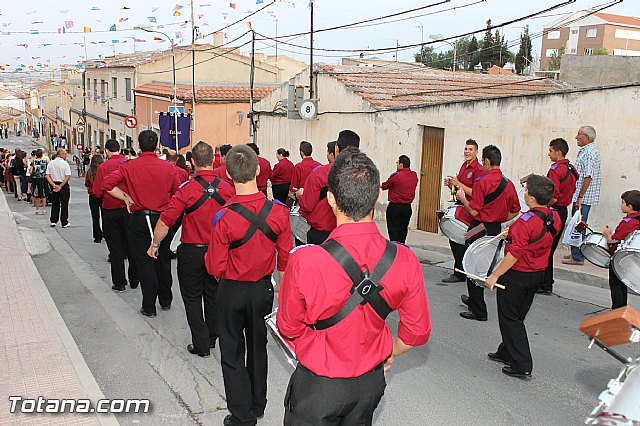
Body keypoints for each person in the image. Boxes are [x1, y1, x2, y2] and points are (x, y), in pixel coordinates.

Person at [277, 149, 431, 424]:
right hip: (369, 384)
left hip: (318, 385)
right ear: (377, 196)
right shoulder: (405, 259)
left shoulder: (304, 260)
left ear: (331, 199)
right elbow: (416, 333)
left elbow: (289, 327)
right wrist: (387, 351)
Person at [205, 145, 292, 426]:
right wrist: (280, 282)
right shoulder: (278, 212)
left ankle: (241, 414)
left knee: (231, 351)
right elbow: (286, 254)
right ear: (257, 170)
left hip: (231, 289)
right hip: (262, 289)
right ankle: (257, 404)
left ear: (229, 174)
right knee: (258, 347)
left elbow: (214, 266)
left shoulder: (222, 217)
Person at [148, 142, 235, 357]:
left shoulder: (186, 189)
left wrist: (155, 245)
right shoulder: (227, 188)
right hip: (218, 251)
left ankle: (201, 342)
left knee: (192, 298)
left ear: (193, 162)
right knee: (213, 295)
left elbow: (166, 221)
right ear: (213, 161)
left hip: (191, 251)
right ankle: (213, 337)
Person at [485, 174, 561, 379]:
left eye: (526, 190)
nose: (524, 193)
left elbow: (514, 255)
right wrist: (513, 234)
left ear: (532, 198)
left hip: (517, 275)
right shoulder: (554, 217)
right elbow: (538, 238)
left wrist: (494, 275)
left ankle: (521, 364)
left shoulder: (525, 222)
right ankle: (506, 351)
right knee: (518, 315)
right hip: (538, 273)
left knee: (510, 318)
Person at [103, 130, 181, 316]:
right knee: (163, 260)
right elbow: (178, 192)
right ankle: (166, 299)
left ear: (139, 145)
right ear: (156, 146)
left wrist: (126, 197)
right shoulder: (169, 167)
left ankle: (149, 306)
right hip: (162, 218)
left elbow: (106, 184)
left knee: (144, 262)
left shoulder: (129, 166)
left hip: (139, 218)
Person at [457, 145, 520, 321]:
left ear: (486, 161)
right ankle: (473, 300)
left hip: (479, 227)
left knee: (474, 266)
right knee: (486, 264)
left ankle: (478, 310)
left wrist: (463, 199)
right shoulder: (508, 184)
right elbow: (516, 209)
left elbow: (474, 212)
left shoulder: (482, 182)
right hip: (495, 229)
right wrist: (499, 217)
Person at [297, 130, 360, 244]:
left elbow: (307, 205)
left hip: (323, 234)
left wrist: (300, 196)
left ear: (336, 148)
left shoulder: (319, 174)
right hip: (353, 234)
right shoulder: (364, 175)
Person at [93, 139, 139, 292]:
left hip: (110, 210)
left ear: (106, 151)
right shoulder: (130, 165)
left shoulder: (103, 167)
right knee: (132, 244)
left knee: (115, 247)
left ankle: (119, 282)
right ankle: (134, 278)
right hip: (129, 210)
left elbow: (98, 191)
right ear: (120, 149)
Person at [442, 139, 486, 283]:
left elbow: (475, 193)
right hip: (461, 203)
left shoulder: (478, 169)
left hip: (470, 205)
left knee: (462, 239)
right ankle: (459, 269)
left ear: (476, 152)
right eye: (466, 149)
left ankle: (461, 271)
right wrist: (451, 185)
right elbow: (459, 189)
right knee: (453, 236)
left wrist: (459, 183)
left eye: (470, 149)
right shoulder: (463, 166)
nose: (467, 152)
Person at [540, 138, 578, 295]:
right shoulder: (571, 169)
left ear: (558, 152)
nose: (549, 154)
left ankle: (545, 283)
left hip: (553, 210)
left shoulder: (555, 170)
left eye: (550, 151)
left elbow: (553, 196)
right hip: (563, 210)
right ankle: (545, 282)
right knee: (550, 247)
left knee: (544, 248)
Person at [564, 125, 601, 266]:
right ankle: (575, 252)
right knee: (576, 223)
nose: (576, 137)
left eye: (579, 134)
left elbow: (588, 176)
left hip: (584, 197)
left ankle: (578, 257)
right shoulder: (585, 151)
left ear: (586, 137)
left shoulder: (590, 153)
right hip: (580, 195)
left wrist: (580, 196)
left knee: (579, 225)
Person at [603, 190, 640, 309]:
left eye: (623, 202)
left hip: (623, 258)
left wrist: (607, 235)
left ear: (630, 206)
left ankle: (618, 309)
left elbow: (614, 243)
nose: (621, 204)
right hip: (633, 257)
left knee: (616, 284)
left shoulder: (628, 222)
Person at [381, 155, 418, 244]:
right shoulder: (414, 176)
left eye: (397, 163)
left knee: (393, 230)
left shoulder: (397, 176)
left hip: (395, 206)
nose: (397, 165)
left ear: (401, 165)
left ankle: (395, 248)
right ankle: (402, 247)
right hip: (407, 207)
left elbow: (385, 185)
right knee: (403, 230)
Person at [45, 149, 72, 228]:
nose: (66, 156)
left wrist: (53, 184)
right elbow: (68, 176)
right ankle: (64, 221)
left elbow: (47, 175)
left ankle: (53, 220)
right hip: (63, 184)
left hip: (54, 183)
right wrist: (60, 186)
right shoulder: (65, 164)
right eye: (65, 154)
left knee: (55, 203)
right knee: (64, 204)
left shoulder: (51, 163)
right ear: (60, 155)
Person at [85, 154, 104, 243]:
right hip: (103, 195)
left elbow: (87, 184)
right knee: (105, 216)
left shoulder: (89, 171)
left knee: (95, 217)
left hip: (93, 195)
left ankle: (97, 236)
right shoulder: (103, 170)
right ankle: (106, 233)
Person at [30, 149, 49, 215]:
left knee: (36, 194)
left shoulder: (33, 162)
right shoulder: (45, 162)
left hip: (36, 179)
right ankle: (44, 209)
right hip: (43, 179)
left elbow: (30, 171)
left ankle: (37, 209)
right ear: (42, 155)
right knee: (43, 194)